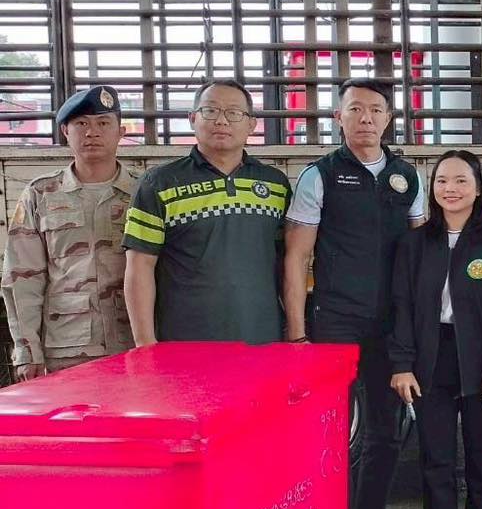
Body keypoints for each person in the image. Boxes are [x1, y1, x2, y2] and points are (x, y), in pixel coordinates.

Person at [282, 78, 424, 509]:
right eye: (355, 109)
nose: (366, 118)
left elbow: (420, 255)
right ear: (338, 118)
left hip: (390, 329)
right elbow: (297, 257)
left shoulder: (408, 176)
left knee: (387, 431)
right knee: (329, 434)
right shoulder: (318, 176)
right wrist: (298, 334)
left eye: (376, 110)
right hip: (334, 325)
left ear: (388, 119)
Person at [390, 151, 482, 509]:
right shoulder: (413, 244)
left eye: (461, 181)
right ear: (432, 188)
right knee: (436, 459)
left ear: (478, 188)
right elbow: (402, 306)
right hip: (430, 358)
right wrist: (402, 363)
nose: (451, 189)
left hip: (479, 359)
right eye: (442, 180)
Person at [122, 79, 290, 345]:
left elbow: (287, 261)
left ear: (251, 124)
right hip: (185, 343)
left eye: (234, 113)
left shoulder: (275, 185)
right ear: (192, 118)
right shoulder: (159, 183)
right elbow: (139, 266)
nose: (221, 121)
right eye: (210, 111)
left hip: (263, 339)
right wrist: (145, 344)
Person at [2, 85, 139, 378]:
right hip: (68, 348)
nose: (92, 132)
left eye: (103, 123)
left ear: (121, 131)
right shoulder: (41, 194)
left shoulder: (145, 192)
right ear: (66, 131)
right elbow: (21, 276)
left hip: (136, 344)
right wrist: (27, 350)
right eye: (81, 124)